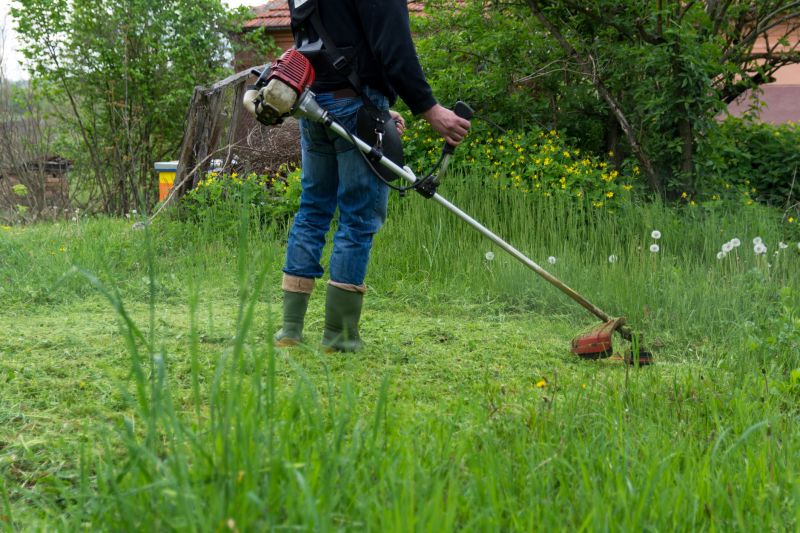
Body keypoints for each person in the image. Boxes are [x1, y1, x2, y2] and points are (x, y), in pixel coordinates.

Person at [275, 0, 471, 352]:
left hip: (312, 104)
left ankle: (290, 330)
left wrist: (378, 100)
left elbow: (318, 39)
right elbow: (394, 47)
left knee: (313, 209)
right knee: (358, 215)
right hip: (352, 105)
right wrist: (429, 108)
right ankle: (339, 336)